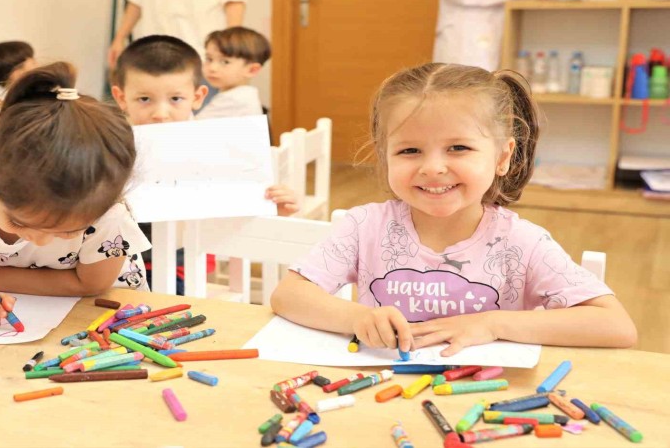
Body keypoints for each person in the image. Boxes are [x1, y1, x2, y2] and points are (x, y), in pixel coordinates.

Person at [271, 63, 637, 356]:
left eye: (458, 148)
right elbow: (287, 295)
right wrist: (359, 318)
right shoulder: (364, 226)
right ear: (385, 156)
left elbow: (616, 325)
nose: (432, 168)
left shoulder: (521, 243)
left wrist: (492, 324)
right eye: (409, 150)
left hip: (484, 400)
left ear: (503, 157)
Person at [0, 62, 151, 330]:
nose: (39, 240)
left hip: (101, 318)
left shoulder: (107, 212)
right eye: (18, 222)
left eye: (68, 231)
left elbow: (91, 284)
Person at [111, 35, 297, 293]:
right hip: (116, 264)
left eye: (175, 99)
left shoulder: (215, 147)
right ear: (121, 97)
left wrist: (271, 207)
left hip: (183, 265)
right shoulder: (110, 146)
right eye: (144, 99)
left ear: (197, 97)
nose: (160, 114)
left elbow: (232, 210)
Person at [107, 0, 246, 68]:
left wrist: (231, 47)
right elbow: (136, 3)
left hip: (200, 56)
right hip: (152, 54)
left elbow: (234, 3)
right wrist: (119, 39)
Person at [196, 26, 270, 120]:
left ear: (252, 70)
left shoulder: (234, 99)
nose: (212, 68)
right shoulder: (243, 94)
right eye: (209, 59)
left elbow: (193, 125)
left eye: (225, 62)